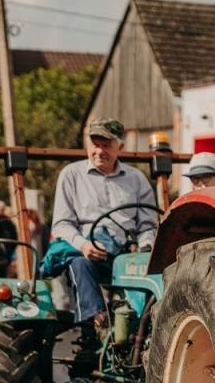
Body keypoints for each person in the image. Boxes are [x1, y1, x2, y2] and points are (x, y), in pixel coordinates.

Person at [51, 117, 157, 332]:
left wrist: (145, 249)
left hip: (127, 252)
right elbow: (62, 224)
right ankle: (99, 324)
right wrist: (84, 245)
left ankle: (146, 325)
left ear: (121, 147)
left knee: (157, 271)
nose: (99, 151)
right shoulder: (71, 175)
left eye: (106, 145)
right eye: (95, 144)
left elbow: (148, 224)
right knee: (79, 264)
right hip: (88, 251)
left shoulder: (136, 179)